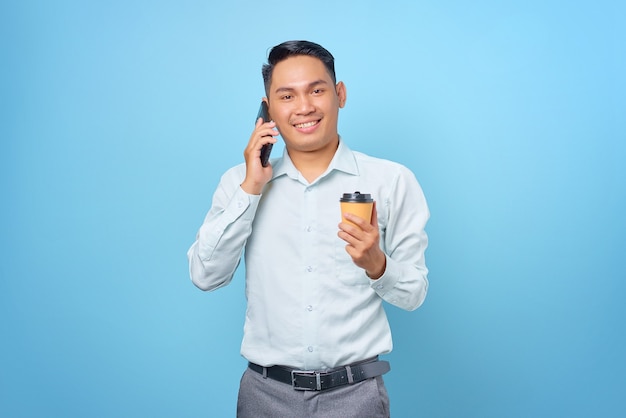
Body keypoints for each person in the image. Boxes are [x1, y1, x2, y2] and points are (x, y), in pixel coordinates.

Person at [187, 40, 429, 417]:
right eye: (287, 96)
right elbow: (206, 275)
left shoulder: (391, 181)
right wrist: (251, 188)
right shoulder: (239, 183)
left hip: (356, 397)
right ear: (267, 111)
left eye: (316, 90)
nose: (304, 107)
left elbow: (414, 293)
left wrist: (376, 263)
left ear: (340, 94)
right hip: (264, 397)